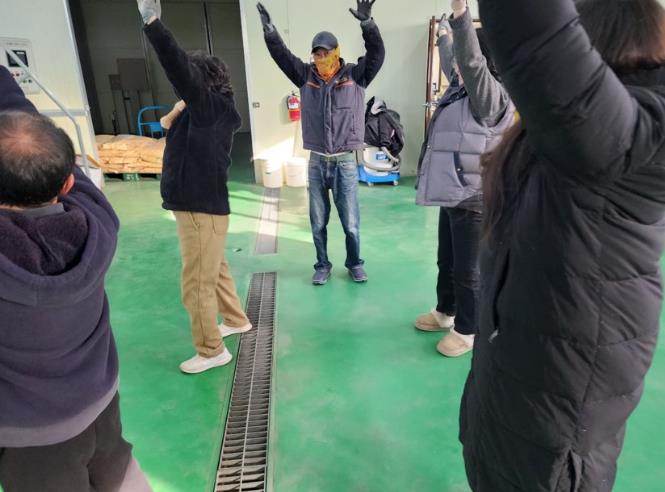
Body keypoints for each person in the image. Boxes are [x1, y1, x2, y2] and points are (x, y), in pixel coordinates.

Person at [461, 0, 665, 489]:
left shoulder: (639, 139)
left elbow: (533, 32)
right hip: (514, 394)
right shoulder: (565, 138)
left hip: (551, 437)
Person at [0, 66, 151, 491]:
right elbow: (27, 123)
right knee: (117, 475)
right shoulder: (99, 221)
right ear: (69, 181)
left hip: (34, 437)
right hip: (100, 402)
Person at [137, 0, 252, 374]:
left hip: (199, 206)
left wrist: (153, 24)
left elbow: (177, 67)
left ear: (200, 83)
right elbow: (167, 125)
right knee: (214, 268)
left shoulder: (208, 107)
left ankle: (211, 350)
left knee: (196, 283)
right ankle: (236, 319)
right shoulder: (203, 110)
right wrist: (179, 106)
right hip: (201, 206)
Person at [257, 0, 385, 285]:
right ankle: (322, 265)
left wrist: (368, 24)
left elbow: (377, 53)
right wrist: (270, 32)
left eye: (326, 53)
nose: (321, 58)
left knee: (351, 223)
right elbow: (282, 56)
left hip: (345, 162)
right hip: (316, 163)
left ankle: (354, 263)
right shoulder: (305, 76)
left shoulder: (355, 75)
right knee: (317, 222)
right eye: (317, 54)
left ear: (336, 52)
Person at [414, 0, 514, 357]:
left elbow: (470, 64)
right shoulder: (460, 87)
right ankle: (445, 311)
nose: (455, 65)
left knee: (468, 271)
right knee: (446, 260)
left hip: (473, 196)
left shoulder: (492, 97)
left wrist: (460, 15)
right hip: (452, 191)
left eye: (464, 59)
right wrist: (444, 35)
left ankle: (468, 329)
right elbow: (455, 61)